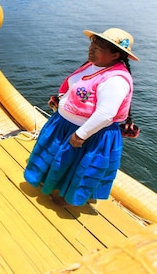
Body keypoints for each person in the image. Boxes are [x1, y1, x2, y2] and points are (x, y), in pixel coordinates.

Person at [24, 28, 139, 207]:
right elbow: (78, 87)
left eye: (98, 47)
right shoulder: (94, 65)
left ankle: (67, 198)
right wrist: (60, 100)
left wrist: (81, 135)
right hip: (64, 125)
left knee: (77, 166)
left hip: (89, 134)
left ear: (116, 55)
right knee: (58, 158)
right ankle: (48, 181)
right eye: (92, 43)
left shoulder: (116, 80)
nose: (91, 49)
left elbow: (106, 113)